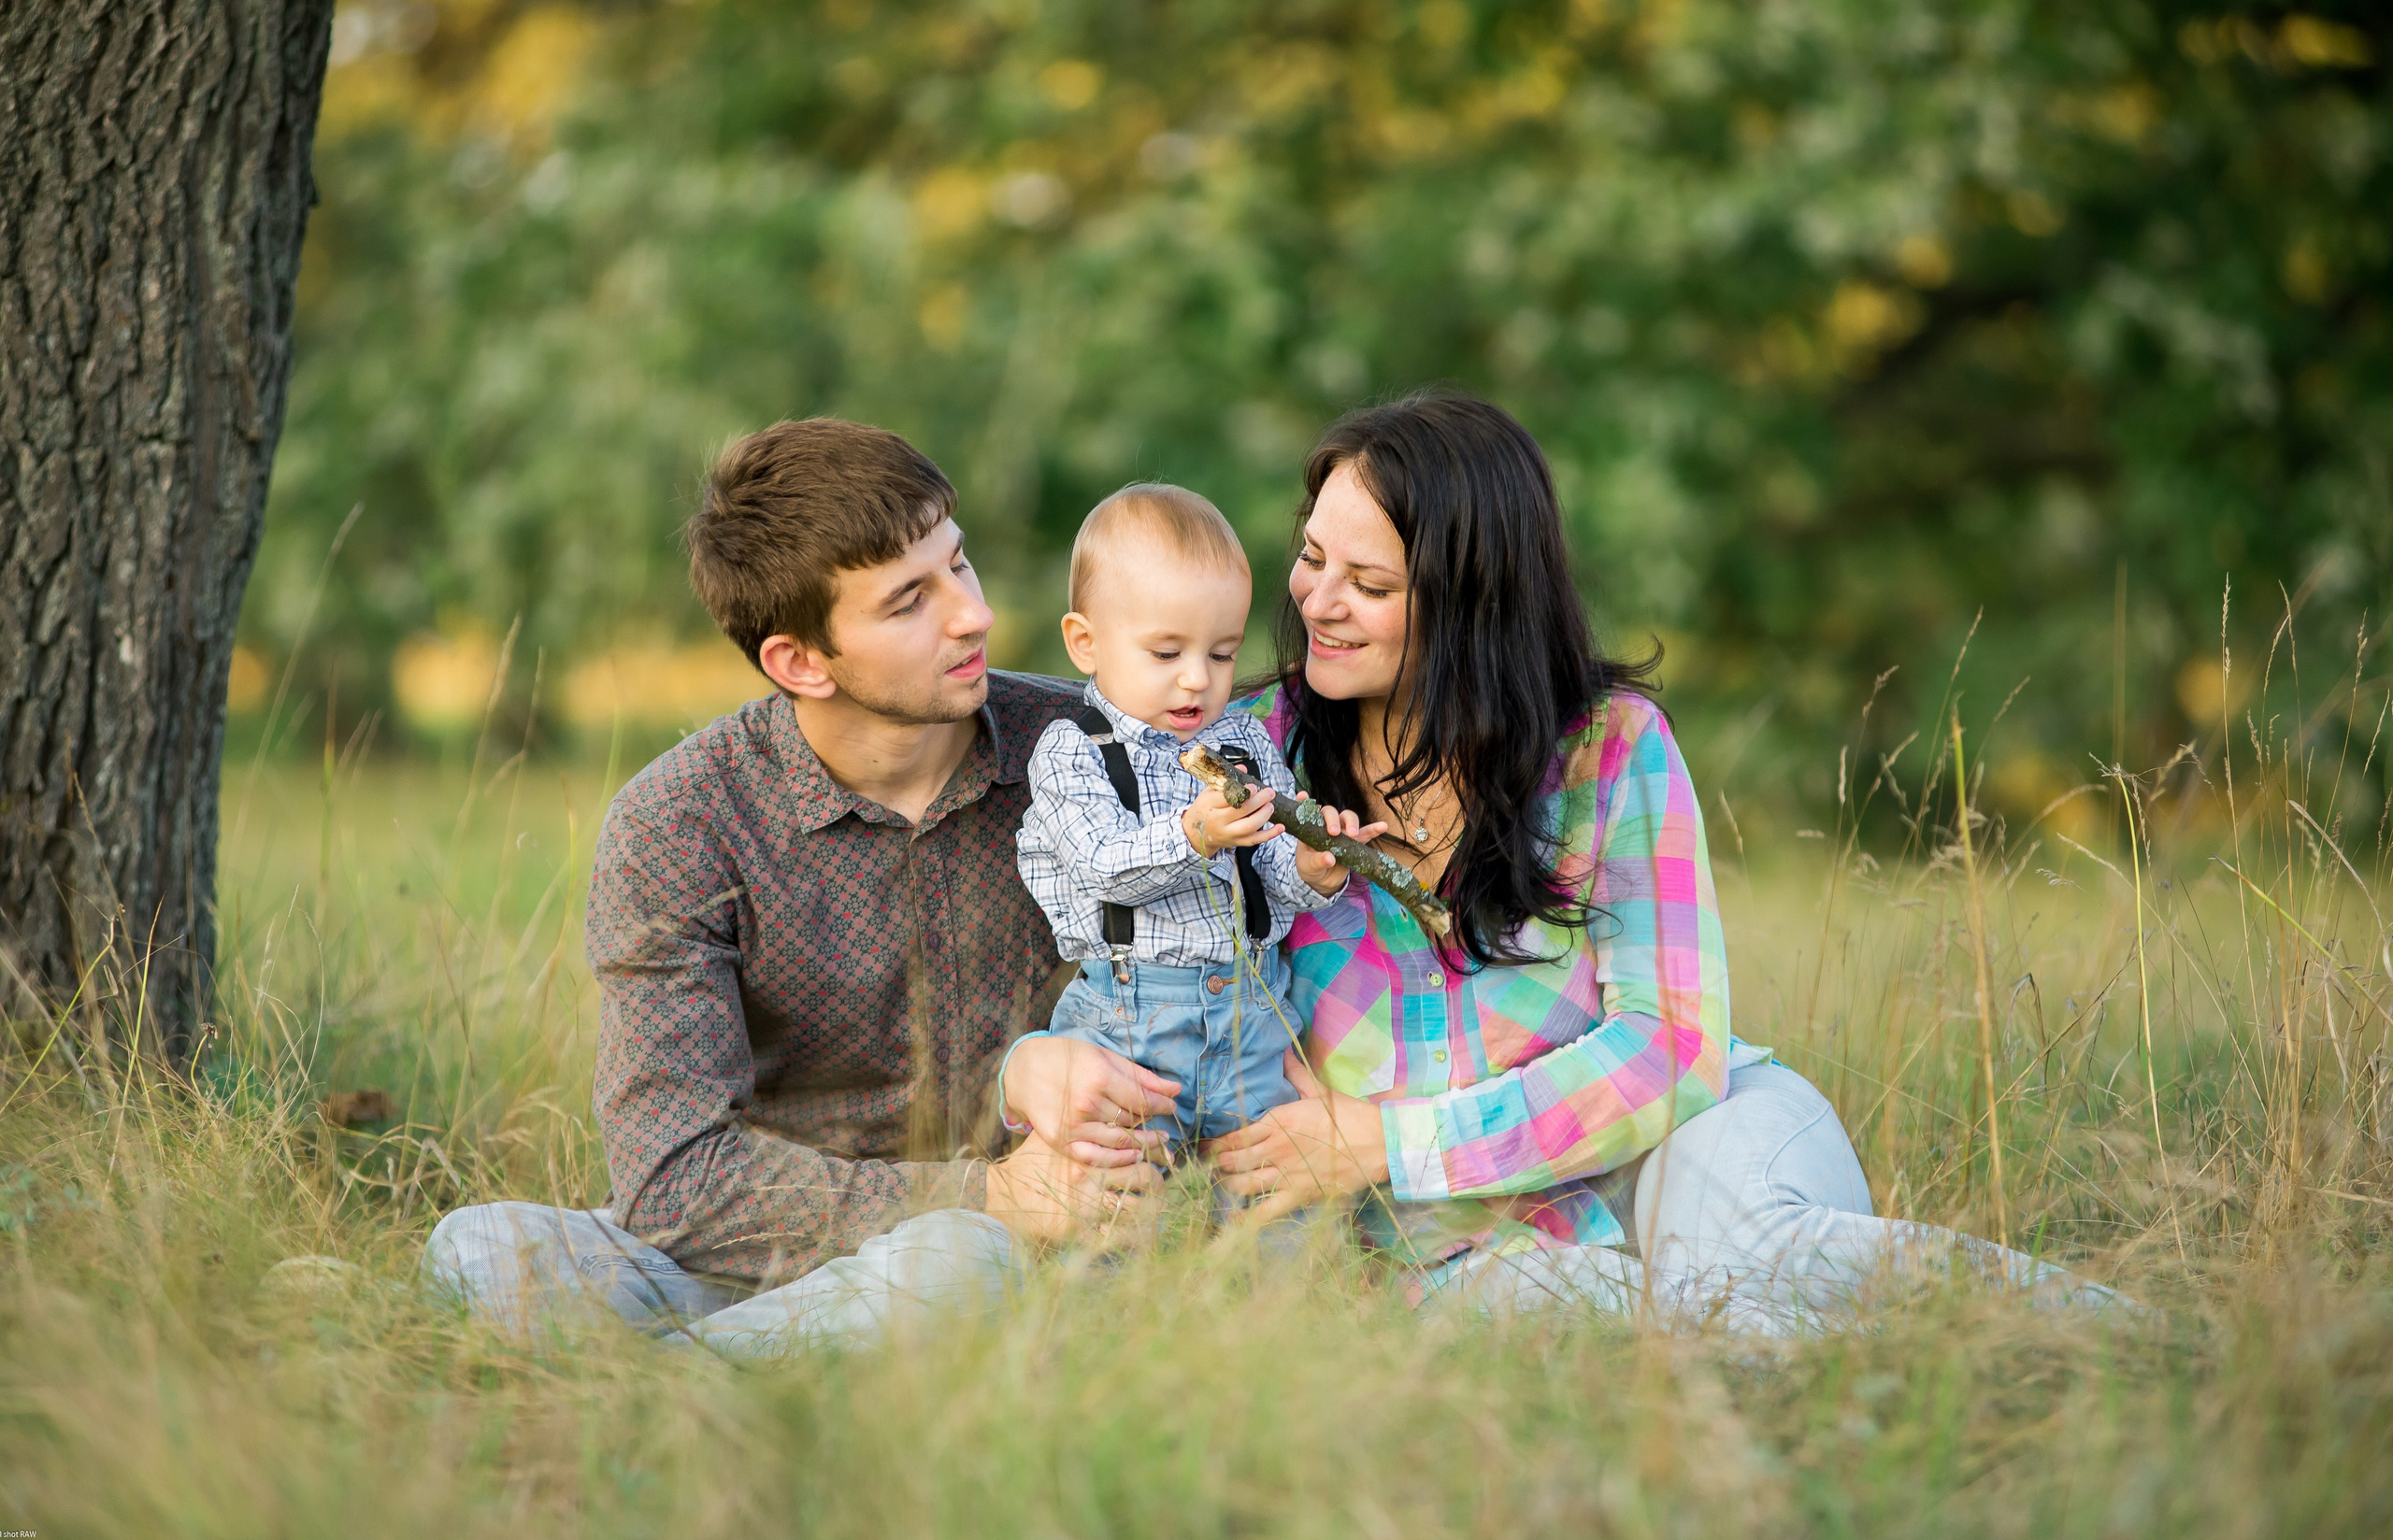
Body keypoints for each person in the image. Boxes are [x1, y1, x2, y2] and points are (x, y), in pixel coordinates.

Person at [1161, 392, 2120, 1333]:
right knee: (1652, 1326)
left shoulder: (1608, 749)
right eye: (1311, 557)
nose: (1317, 601)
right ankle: (1916, 1355)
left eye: (1370, 585)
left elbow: (1670, 1047)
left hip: (1682, 1149)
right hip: (1456, 1259)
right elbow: (1136, 962)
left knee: (1751, 1256)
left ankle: (2131, 1334)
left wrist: (1396, 1143)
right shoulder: (1243, 765)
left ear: (1471, 599)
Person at [422, 418, 1184, 1356]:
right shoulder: (679, 821)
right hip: (760, 1254)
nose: (971, 614)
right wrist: (986, 1190)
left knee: (959, 1265)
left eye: (959, 563)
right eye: (908, 601)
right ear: (798, 661)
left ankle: (671, 1381)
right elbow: (672, 1180)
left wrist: (1013, 1203)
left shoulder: (1096, 750)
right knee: (480, 1248)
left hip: (1006, 1254)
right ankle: (749, 1357)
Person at [1015, 484, 1381, 1153]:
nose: (1196, 680)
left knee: (1274, 1178)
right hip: (1130, 1021)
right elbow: (1102, 866)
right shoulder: (1073, 751)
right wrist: (1195, 835)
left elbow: (1271, 867)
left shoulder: (1242, 741)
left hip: (1252, 1015)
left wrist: (1311, 869)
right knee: (1120, 1183)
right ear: (1085, 642)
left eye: (1220, 654)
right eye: (1167, 654)